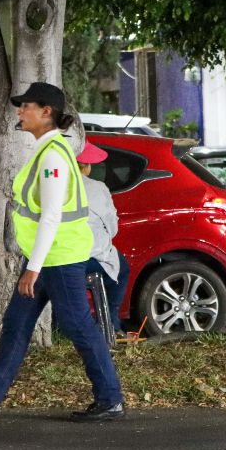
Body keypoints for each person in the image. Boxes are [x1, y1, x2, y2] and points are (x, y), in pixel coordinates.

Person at [0, 82, 125, 422]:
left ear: (46, 112)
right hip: (48, 257)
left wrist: (33, 268)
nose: (19, 111)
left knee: (78, 327)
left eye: (26, 106)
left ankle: (110, 398)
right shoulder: (49, 151)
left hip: (58, 258)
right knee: (16, 323)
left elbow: (52, 215)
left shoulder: (54, 156)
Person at [75, 141, 131, 338]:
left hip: (62, 257)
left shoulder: (56, 185)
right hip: (92, 258)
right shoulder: (98, 188)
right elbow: (112, 227)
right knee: (121, 270)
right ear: (87, 166)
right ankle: (111, 323)